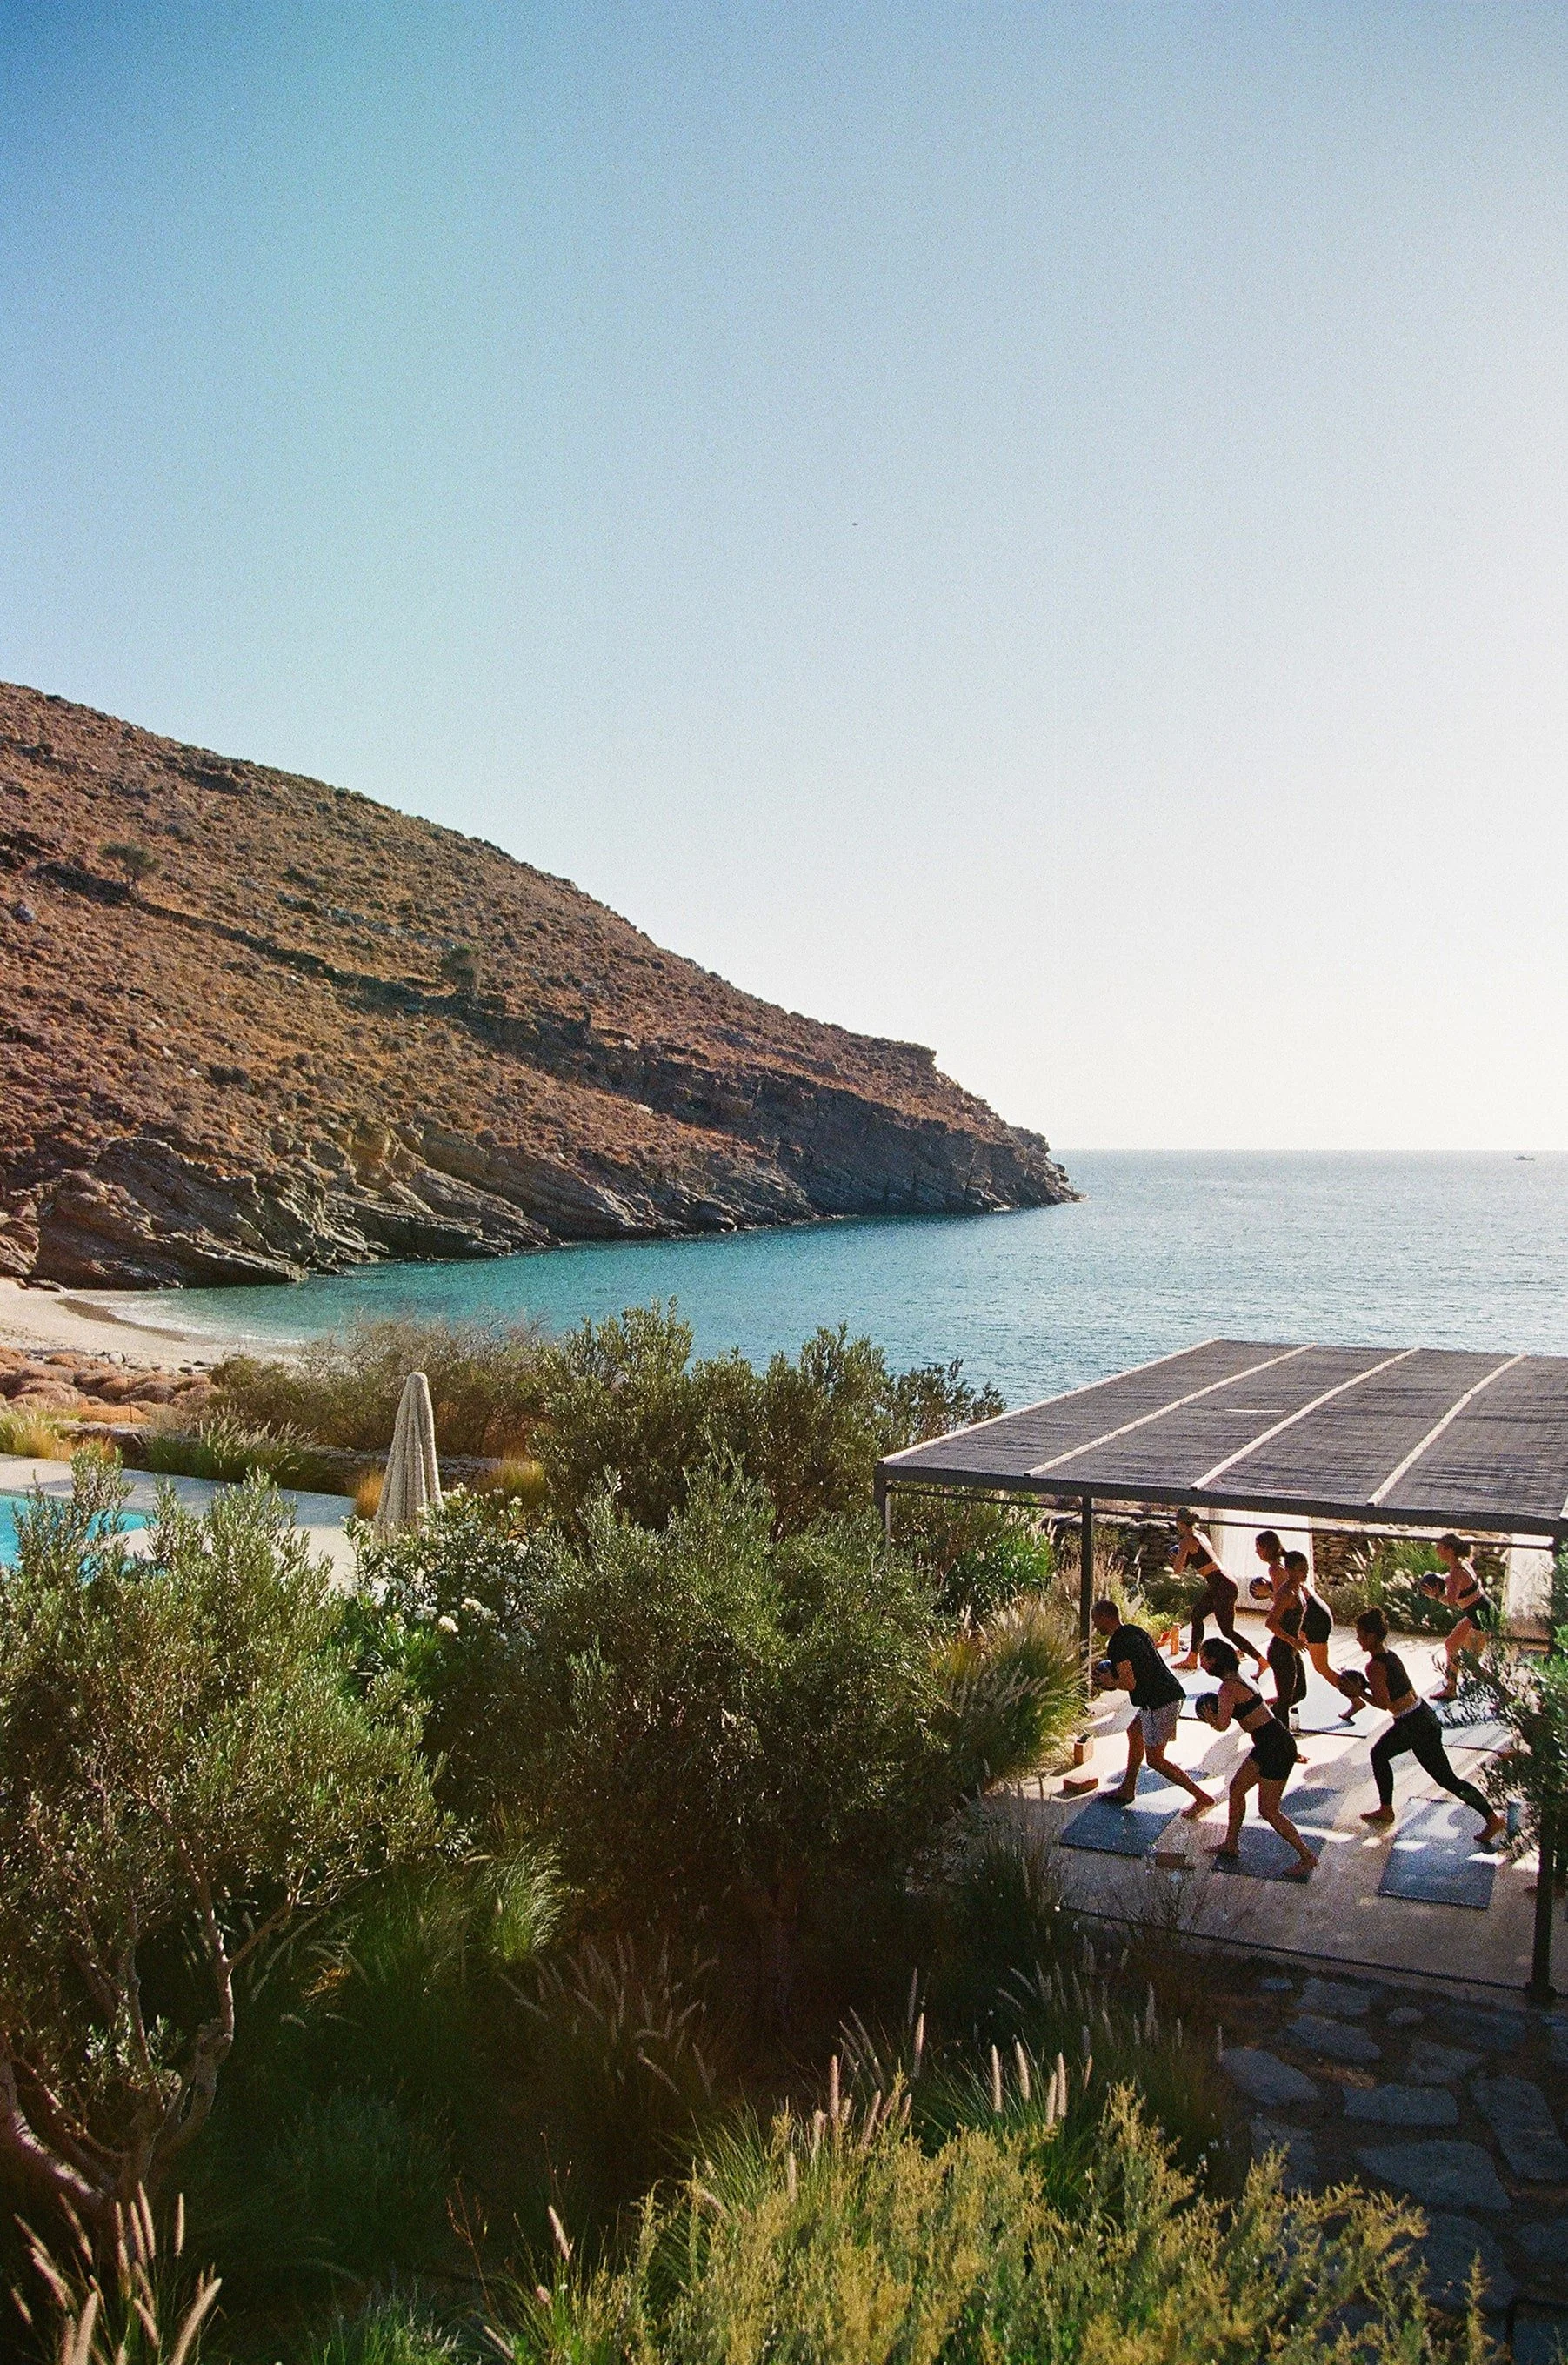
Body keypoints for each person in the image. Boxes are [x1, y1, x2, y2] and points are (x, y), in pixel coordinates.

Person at [1351, 1607, 1505, 1844]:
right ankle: (1386, 1808)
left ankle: (1492, 1819)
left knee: (1447, 1780)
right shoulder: (1389, 1655)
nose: (1357, 1638)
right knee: (1379, 1754)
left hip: (1414, 1726)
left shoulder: (1374, 1667)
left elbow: (1383, 1703)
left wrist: (1358, 1692)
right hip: (1420, 1715)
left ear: (1371, 1636)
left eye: (1360, 1634)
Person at [1195, 1638, 1318, 1880]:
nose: (1201, 1662)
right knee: (1237, 1788)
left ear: (1214, 1660)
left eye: (1204, 1657)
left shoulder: (1227, 1688)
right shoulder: (1239, 1676)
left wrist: (1210, 1718)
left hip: (1274, 1746)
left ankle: (1307, 1857)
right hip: (1271, 1742)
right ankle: (1231, 1843)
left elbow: (1222, 1725)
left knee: (1269, 1810)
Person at [1090, 1598, 1215, 1819]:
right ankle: (1127, 1789)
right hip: (1162, 1695)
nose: (1095, 1625)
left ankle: (1201, 1797)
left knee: (1156, 1760)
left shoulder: (1117, 1646)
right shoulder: (1134, 1631)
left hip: (1161, 1702)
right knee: (1134, 1731)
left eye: (1095, 1620)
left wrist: (1111, 1681)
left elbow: (1130, 1683)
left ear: (1105, 1617)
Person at [1253, 1533, 1359, 1716]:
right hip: (1314, 1611)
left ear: (1269, 1548)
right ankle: (1282, 1701)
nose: (1257, 1552)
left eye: (1259, 1548)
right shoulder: (1280, 1566)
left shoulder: (1277, 1569)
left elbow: (1284, 1603)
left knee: (1321, 1667)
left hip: (1314, 1616)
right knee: (1312, 1666)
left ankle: (1356, 1699)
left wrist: (1266, 1593)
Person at [1172, 1509, 1266, 1674]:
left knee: (1227, 1631)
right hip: (1223, 1582)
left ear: (1180, 1523)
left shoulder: (1186, 1541)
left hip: (1221, 1586)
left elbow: (1178, 1570)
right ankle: (1192, 1659)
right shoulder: (1200, 1535)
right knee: (1197, 1615)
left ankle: (1261, 1660)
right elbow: (1200, 1559)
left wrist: (1176, 1557)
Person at [1425, 1535, 1494, 1703]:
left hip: (1481, 1616)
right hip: (1478, 1611)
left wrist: (1436, 1595)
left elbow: (1451, 1601)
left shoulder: (1457, 1572)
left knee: (1471, 1663)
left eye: (1440, 1547)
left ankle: (1505, 1694)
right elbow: (1454, 1581)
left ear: (1450, 1550)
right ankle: (1450, 1689)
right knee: (1451, 1644)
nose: (1436, 1550)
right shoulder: (1461, 1564)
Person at [1262, 1547, 1310, 1728]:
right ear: (1289, 1570)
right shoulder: (1286, 1593)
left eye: (1306, 1569)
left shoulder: (1298, 1589)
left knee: (1300, 1692)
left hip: (1291, 1649)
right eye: (1301, 1569)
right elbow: (1270, 1623)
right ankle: (1282, 1740)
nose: (1305, 1573)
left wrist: (1300, 1636)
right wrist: (1293, 1641)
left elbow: (1293, 1620)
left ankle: (1268, 1719)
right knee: (1285, 1700)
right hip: (1281, 1651)